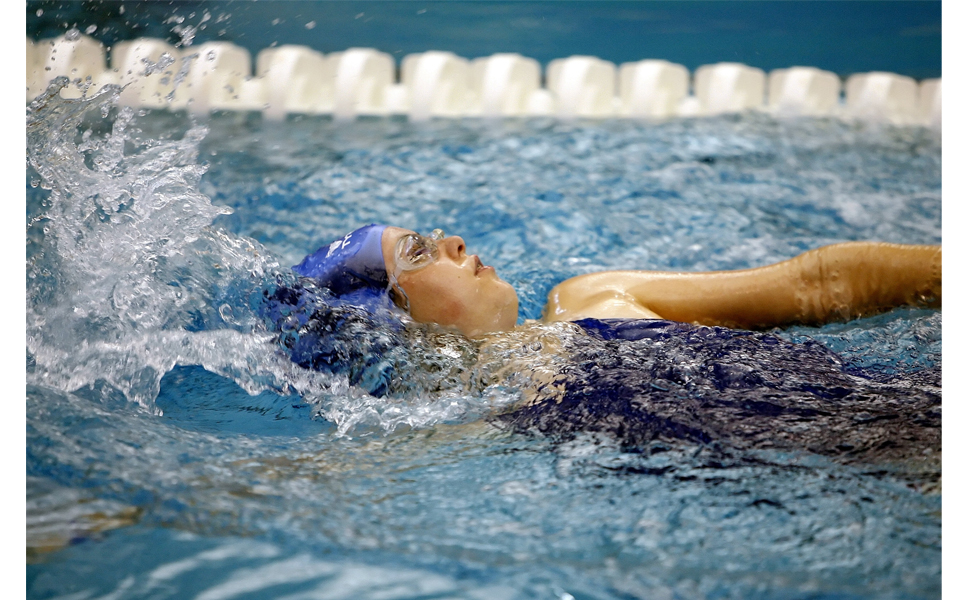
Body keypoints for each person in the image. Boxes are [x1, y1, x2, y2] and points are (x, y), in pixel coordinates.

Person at [291, 223, 942, 338]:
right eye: (422, 252)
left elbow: (818, 284)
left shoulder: (590, 297)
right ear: (388, 318)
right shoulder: (458, 431)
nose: (456, 241)